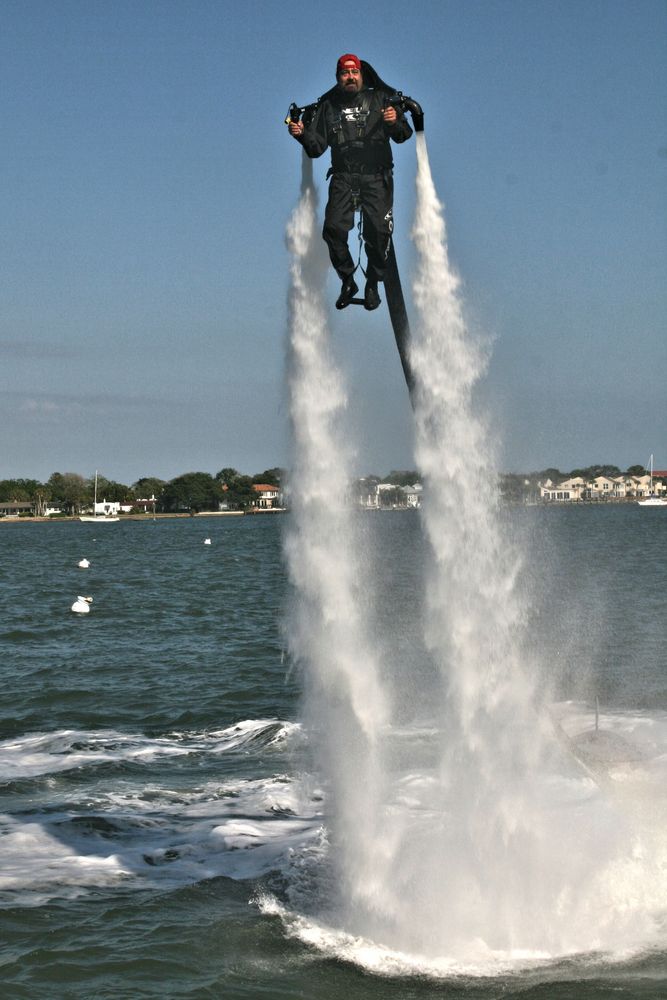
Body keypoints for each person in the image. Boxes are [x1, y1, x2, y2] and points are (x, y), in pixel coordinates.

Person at [288, 54, 413, 311]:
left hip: (376, 175)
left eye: (354, 72)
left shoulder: (380, 99)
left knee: (378, 232)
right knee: (332, 229)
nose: (350, 77)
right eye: (345, 74)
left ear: (361, 75)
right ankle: (348, 279)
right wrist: (301, 135)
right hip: (343, 177)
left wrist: (392, 122)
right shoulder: (328, 106)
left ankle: (373, 282)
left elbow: (403, 134)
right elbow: (316, 148)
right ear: (338, 77)